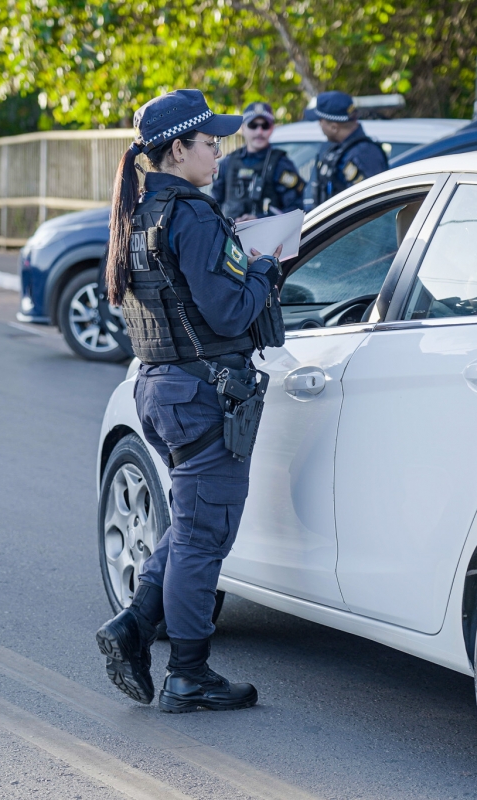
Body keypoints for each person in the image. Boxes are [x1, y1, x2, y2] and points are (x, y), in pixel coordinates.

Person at [95, 89, 283, 713]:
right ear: (178, 150)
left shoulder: (141, 209)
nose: (219, 152)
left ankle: (133, 626)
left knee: (190, 526)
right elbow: (228, 311)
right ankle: (188, 674)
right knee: (204, 539)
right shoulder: (193, 216)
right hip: (203, 394)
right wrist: (265, 270)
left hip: (162, 388)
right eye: (210, 143)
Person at [211, 100, 304, 221]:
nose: (259, 132)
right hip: (231, 232)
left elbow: (295, 210)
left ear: (272, 128)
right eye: (253, 125)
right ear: (243, 128)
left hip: (269, 232)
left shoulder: (281, 164)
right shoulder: (228, 162)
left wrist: (258, 219)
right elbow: (214, 206)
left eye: (265, 126)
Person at [309, 90, 388, 208]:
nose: (319, 125)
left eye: (320, 121)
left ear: (334, 127)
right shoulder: (341, 149)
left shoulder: (363, 154)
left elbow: (370, 207)